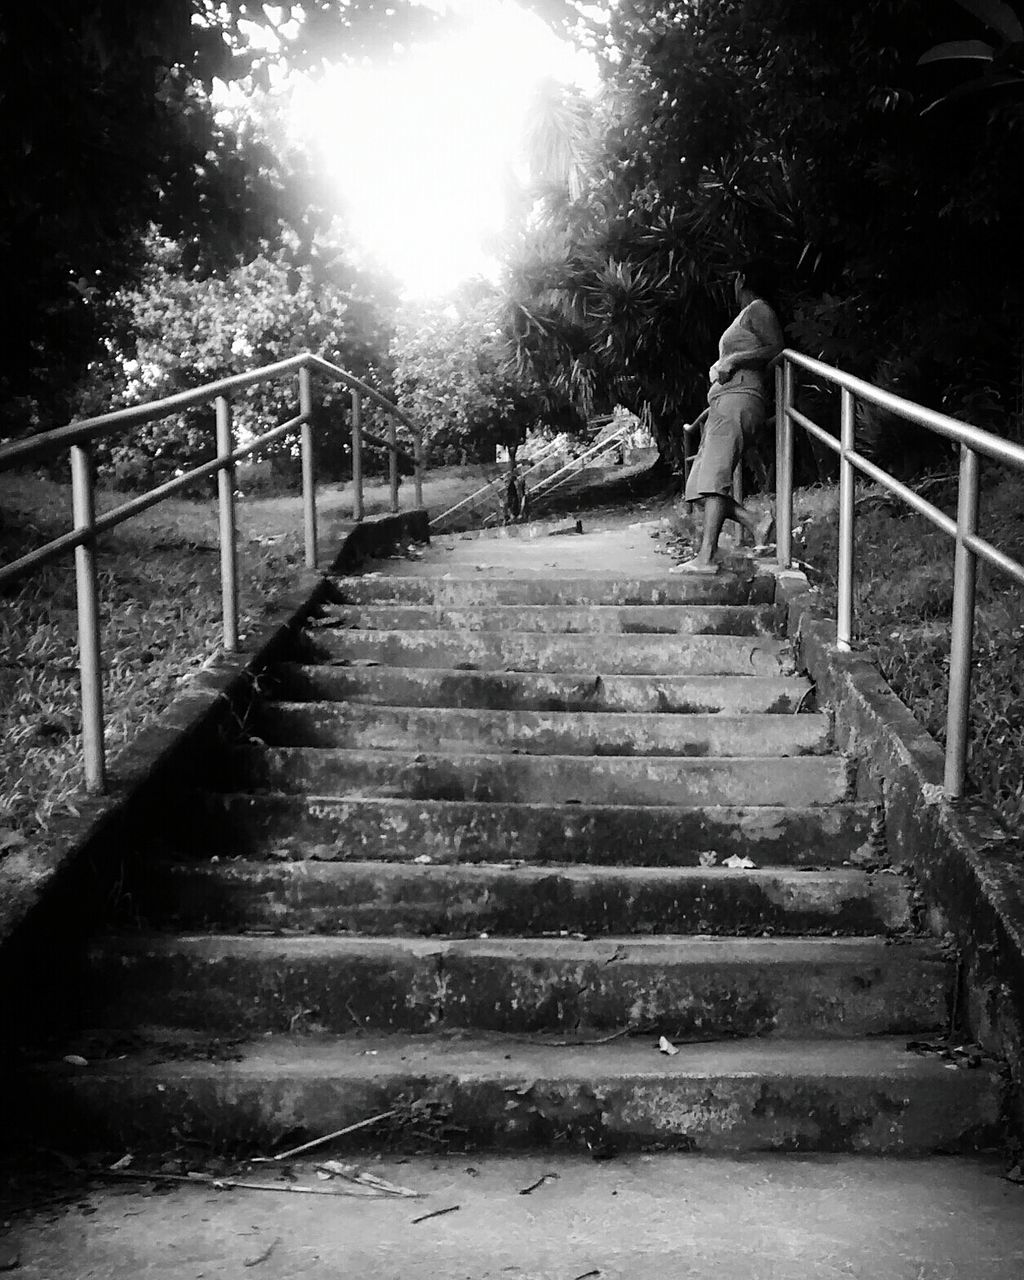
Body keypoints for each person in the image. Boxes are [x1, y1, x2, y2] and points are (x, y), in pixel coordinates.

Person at [673, 259, 785, 573]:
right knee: (697, 487)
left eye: (734, 277)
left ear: (742, 278)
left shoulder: (759, 309)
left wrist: (734, 358)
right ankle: (755, 522)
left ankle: (706, 558)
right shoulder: (745, 315)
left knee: (713, 481)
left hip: (739, 399)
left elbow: (777, 346)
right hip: (723, 404)